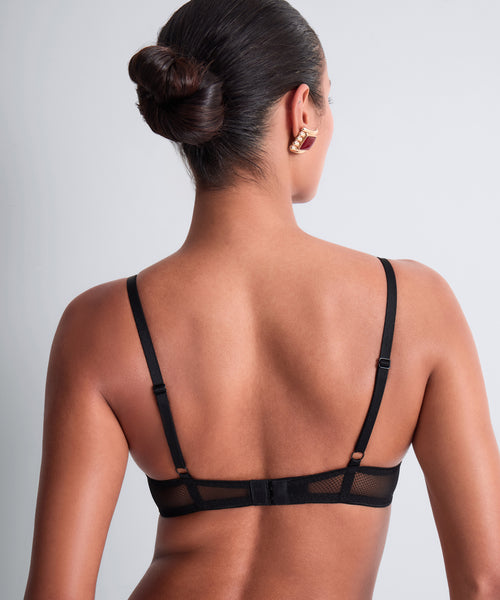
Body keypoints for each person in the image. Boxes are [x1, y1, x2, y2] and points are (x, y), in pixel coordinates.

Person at [24, 0, 500, 598]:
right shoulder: (414, 306)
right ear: (302, 110)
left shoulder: (99, 324)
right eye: (329, 98)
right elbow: (486, 580)